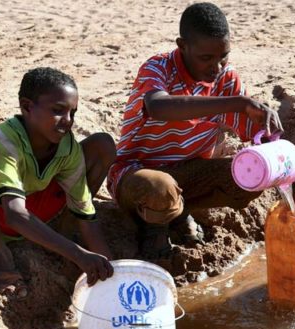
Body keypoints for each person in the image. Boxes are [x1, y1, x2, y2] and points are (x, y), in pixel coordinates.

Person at [107, 2, 283, 259]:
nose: (217, 67)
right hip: (135, 176)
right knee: (160, 188)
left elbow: (263, 137)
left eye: (224, 56)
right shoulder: (158, 68)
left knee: (253, 176)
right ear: (182, 46)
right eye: (206, 58)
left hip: (189, 174)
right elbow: (158, 106)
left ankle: (178, 210)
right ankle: (154, 229)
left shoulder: (225, 79)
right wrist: (238, 104)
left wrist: (294, 178)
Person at [0, 67, 115, 298]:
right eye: (58, 111)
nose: (68, 121)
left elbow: (85, 213)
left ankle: (61, 237)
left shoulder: (67, 146)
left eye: (73, 113)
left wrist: (111, 268)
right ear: (27, 106)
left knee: (102, 144)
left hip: (38, 212)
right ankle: (1, 256)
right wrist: (79, 255)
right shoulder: (4, 141)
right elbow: (15, 214)